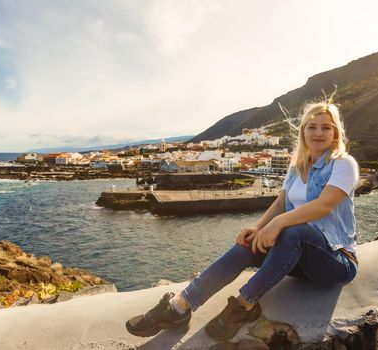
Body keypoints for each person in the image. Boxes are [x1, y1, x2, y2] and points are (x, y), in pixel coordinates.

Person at [126, 97, 360, 341]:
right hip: (296, 256)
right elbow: (280, 203)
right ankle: (180, 305)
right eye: (312, 126)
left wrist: (278, 224)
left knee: (294, 231)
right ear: (303, 132)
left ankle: (244, 305)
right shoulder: (296, 167)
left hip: (336, 262)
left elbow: (324, 205)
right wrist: (257, 228)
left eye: (326, 127)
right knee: (248, 242)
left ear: (336, 132)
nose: (319, 132)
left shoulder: (343, 164)